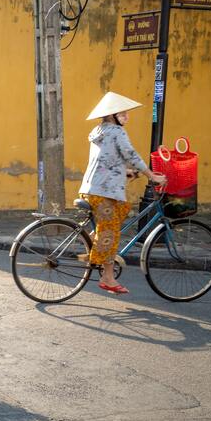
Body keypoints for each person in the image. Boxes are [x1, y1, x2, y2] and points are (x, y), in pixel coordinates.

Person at [79, 92, 166, 295]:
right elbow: (130, 154)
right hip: (104, 191)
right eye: (123, 114)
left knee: (120, 213)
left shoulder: (99, 131)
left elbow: (105, 160)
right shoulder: (117, 133)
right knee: (110, 233)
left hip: (93, 187)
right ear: (113, 115)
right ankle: (107, 278)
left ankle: (94, 239)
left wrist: (125, 172)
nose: (127, 117)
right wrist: (150, 175)